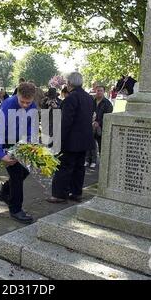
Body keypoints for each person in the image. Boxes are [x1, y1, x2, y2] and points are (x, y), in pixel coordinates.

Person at [0, 82, 38, 224]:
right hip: (6, 141)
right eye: (22, 101)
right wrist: (1, 154)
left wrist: (31, 142)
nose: (25, 105)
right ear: (17, 95)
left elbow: (32, 126)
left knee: (26, 170)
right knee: (17, 175)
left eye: (28, 102)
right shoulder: (8, 106)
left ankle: (5, 192)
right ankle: (16, 209)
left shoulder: (33, 106)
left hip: (21, 142)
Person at [47, 72, 94, 203]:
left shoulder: (71, 98)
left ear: (69, 84)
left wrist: (58, 141)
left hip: (71, 140)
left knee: (64, 167)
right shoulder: (89, 98)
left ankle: (59, 195)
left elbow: (65, 122)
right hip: (84, 139)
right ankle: (76, 192)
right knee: (79, 168)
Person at [85, 85, 113, 168]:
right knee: (89, 144)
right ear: (95, 91)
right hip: (90, 126)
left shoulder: (107, 103)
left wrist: (98, 123)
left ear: (104, 92)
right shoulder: (91, 101)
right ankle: (88, 160)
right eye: (98, 90)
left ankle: (102, 162)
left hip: (101, 127)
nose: (99, 92)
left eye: (101, 90)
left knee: (101, 145)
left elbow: (108, 116)